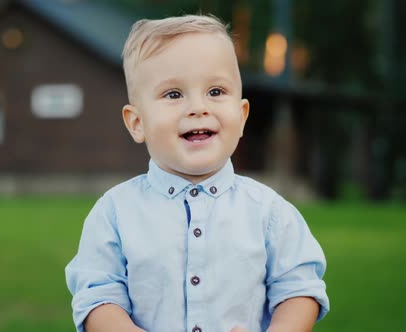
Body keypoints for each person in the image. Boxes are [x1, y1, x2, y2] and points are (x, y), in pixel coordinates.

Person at [65, 14, 329, 332]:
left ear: (242, 115)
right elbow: (97, 297)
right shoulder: (114, 214)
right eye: (174, 94)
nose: (198, 107)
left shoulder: (268, 213)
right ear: (137, 122)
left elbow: (299, 290)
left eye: (215, 91)